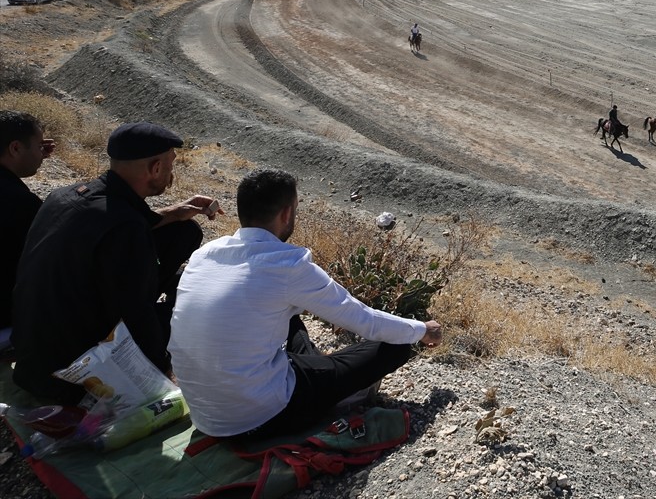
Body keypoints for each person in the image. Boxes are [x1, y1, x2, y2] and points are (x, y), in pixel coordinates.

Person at [169, 170, 443, 438]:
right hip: (260, 418)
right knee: (395, 346)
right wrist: (422, 330)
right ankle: (337, 396)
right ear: (286, 213)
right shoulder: (288, 265)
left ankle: (312, 369)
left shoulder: (204, 255)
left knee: (286, 319)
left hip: (205, 416)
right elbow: (365, 320)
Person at [11, 122, 221, 401]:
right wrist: (160, 382)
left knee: (184, 231)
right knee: (196, 312)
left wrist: (175, 212)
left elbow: (112, 217)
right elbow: (136, 316)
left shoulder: (63, 196)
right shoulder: (126, 230)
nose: (172, 174)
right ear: (156, 168)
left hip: (32, 357)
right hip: (72, 375)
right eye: (170, 166)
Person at [0, 111, 55, 337]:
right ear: (15, 148)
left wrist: (32, 154)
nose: (42, 155)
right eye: (37, 147)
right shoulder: (21, 203)